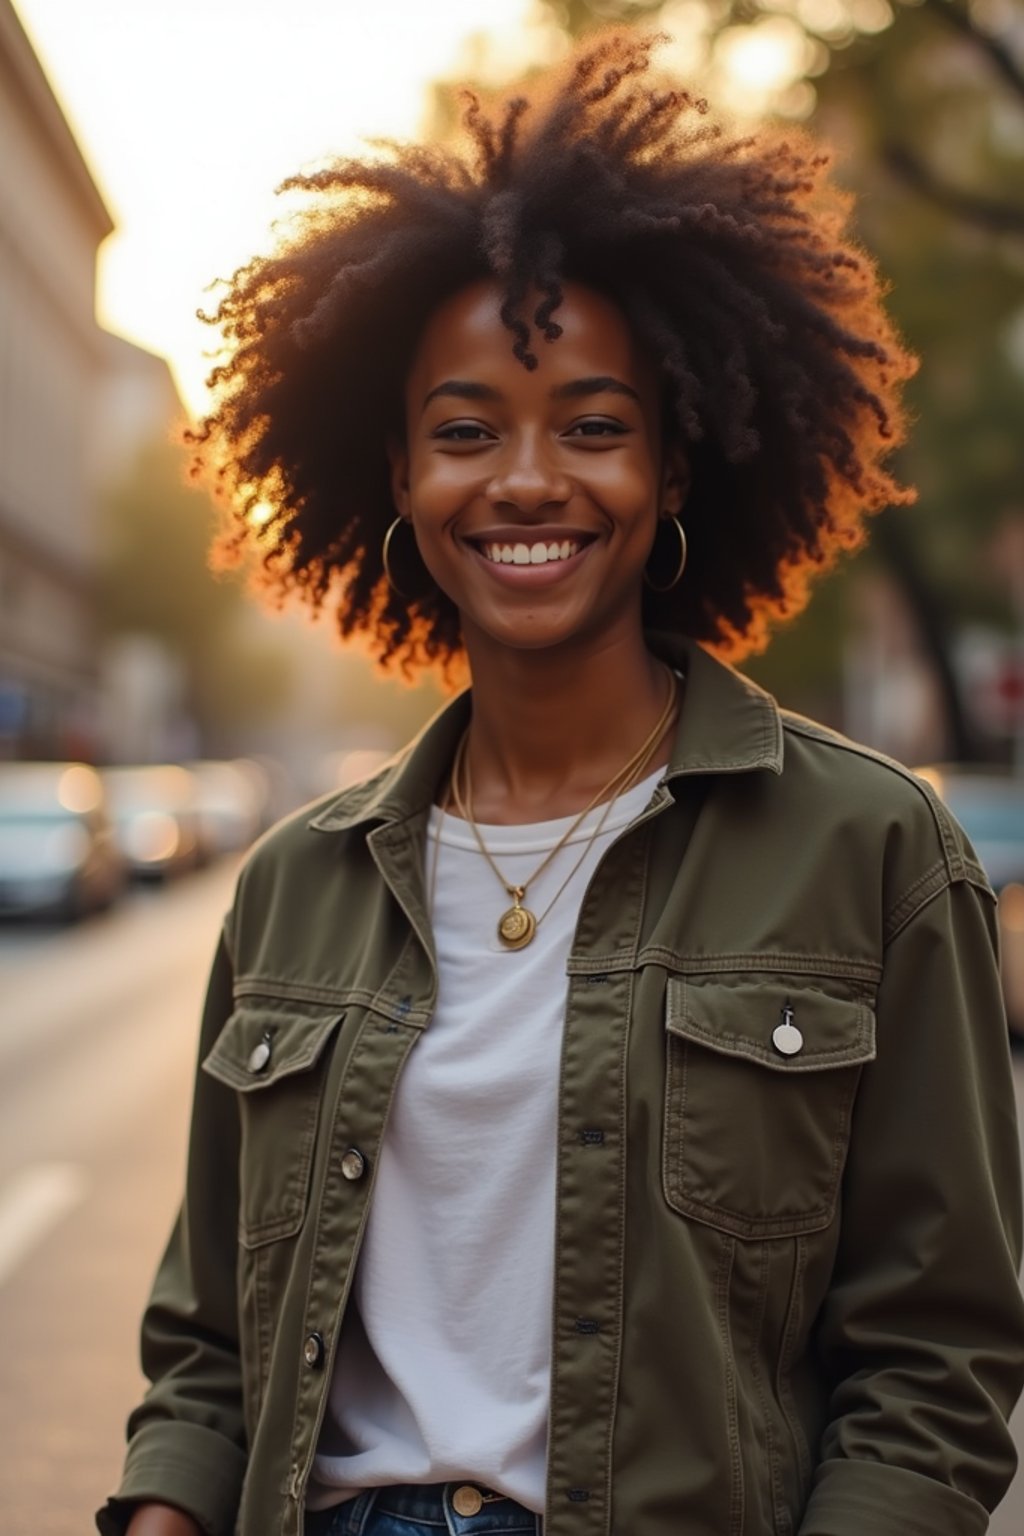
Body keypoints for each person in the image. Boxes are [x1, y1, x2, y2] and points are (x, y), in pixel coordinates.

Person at [99, 30, 1024, 1536]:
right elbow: (210, 1352)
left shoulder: (870, 847)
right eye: (465, 431)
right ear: (395, 475)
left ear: (673, 470)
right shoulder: (291, 888)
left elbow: (935, 1361)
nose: (527, 480)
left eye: (595, 426)